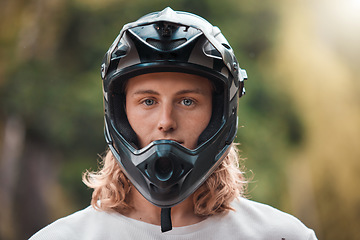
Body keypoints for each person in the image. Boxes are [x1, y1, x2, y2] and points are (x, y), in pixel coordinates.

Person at [30, 7, 317, 239]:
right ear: (118, 111)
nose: (166, 122)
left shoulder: (282, 235)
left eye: (187, 101)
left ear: (221, 113)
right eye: (148, 101)